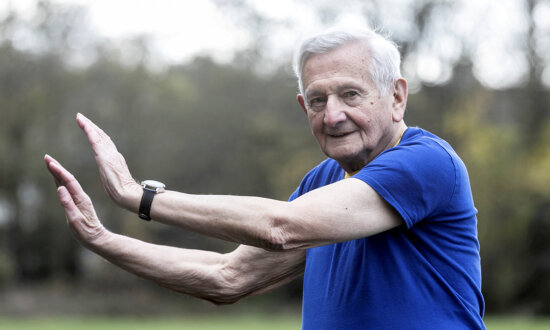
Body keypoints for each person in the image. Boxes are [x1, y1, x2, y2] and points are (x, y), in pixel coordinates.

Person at [44, 26, 485, 329]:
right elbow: (226, 277)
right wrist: (101, 239)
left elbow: (281, 228)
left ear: (396, 96)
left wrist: (137, 196)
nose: (333, 115)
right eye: (317, 100)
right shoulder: (323, 182)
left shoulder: (427, 163)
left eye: (351, 94)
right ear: (302, 107)